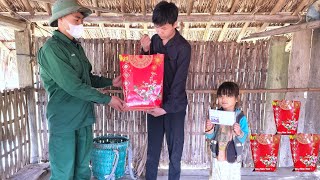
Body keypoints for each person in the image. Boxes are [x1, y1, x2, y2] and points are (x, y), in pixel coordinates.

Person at [37, 0, 125, 179]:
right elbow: (72, 85)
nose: (80, 24)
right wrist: (108, 100)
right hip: (65, 120)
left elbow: (87, 78)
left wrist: (111, 82)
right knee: (64, 172)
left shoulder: (76, 47)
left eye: (81, 20)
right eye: (76, 19)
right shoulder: (52, 49)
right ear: (60, 19)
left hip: (84, 117)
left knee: (83, 169)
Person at [139, 1, 191, 179]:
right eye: (157, 28)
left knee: (175, 154)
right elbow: (146, 71)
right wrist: (145, 50)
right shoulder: (154, 40)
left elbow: (179, 83)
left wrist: (166, 108)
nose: (160, 32)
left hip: (174, 108)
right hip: (154, 104)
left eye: (164, 28)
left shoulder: (184, 47)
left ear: (175, 24)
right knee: (152, 152)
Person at [205, 82, 249, 180]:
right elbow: (210, 136)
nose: (224, 99)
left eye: (228, 96)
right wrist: (209, 129)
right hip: (217, 156)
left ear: (236, 99)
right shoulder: (215, 115)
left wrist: (239, 132)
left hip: (232, 157)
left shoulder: (240, 117)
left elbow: (244, 137)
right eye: (221, 96)